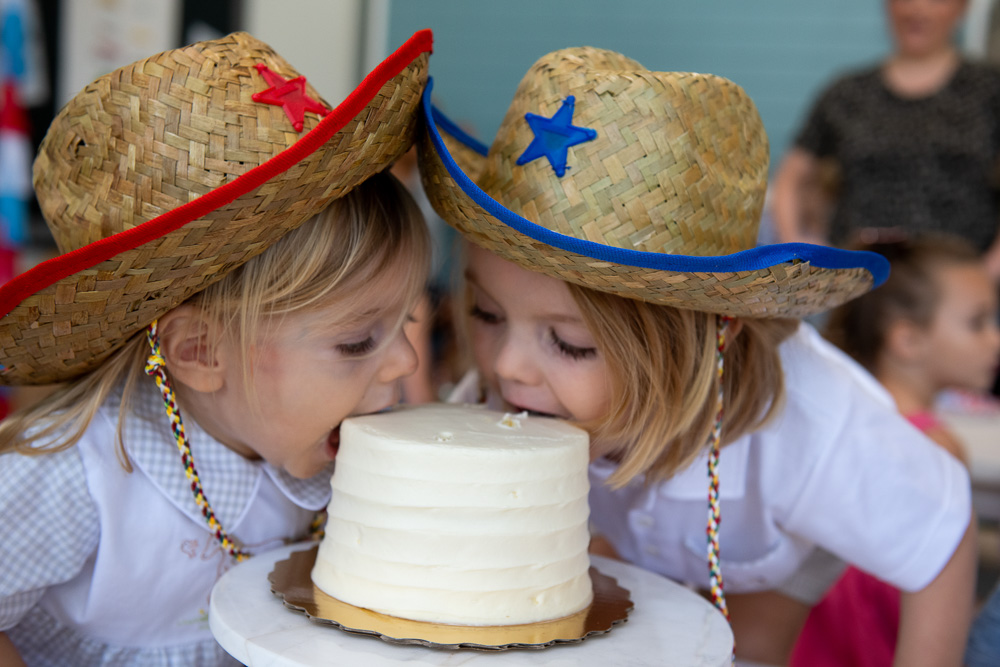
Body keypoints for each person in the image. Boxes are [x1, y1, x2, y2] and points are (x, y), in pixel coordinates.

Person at [419, 46, 977, 666]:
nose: (505, 367)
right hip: (641, 530)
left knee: (750, 645)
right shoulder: (514, 387)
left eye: (570, 343)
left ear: (710, 338)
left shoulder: (812, 433)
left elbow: (942, 544)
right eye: (486, 314)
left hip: (770, 530)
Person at [0, 30, 433, 665]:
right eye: (358, 341)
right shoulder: (72, 477)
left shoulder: (326, 448)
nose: (406, 362)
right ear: (201, 351)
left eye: (407, 323)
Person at [788, 234, 999, 666]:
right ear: (907, 340)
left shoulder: (840, 425)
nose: (994, 341)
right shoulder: (936, 448)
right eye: (977, 323)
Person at [770, 0, 1000, 279]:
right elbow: (791, 177)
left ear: (961, 9)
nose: (918, 9)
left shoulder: (989, 91)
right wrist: (801, 251)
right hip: (858, 288)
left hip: (959, 288)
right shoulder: (847, 93)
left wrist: (989, 270)